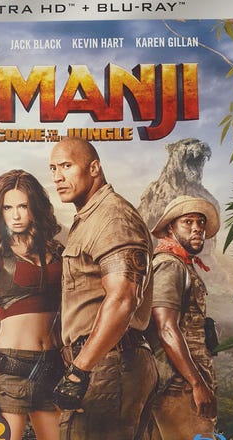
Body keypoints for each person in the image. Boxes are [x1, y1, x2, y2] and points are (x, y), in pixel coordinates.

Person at [49, 137, 157, 440]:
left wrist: (79, 370)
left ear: (94, 168)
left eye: (66, 166)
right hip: (107, 364)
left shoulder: (112, 217)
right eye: (53, 169)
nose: (57, 177)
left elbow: (124, 298)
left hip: (108, 366)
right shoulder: (90, 217)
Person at [0, 169, 65, 440]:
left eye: (23, 206)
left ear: (35, 207)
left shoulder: (58, 253)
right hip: (10, 371)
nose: (15, 215)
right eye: (8, 208)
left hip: (52, 366)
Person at [147, 195, 221, 439]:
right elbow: (166, 328)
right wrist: (197, 385)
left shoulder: (182, 264)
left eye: (201, 222)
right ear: (170, 228)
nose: (197, 228)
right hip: (179, 387)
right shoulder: (170, 265)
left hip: (185, 384)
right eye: (188, 222)